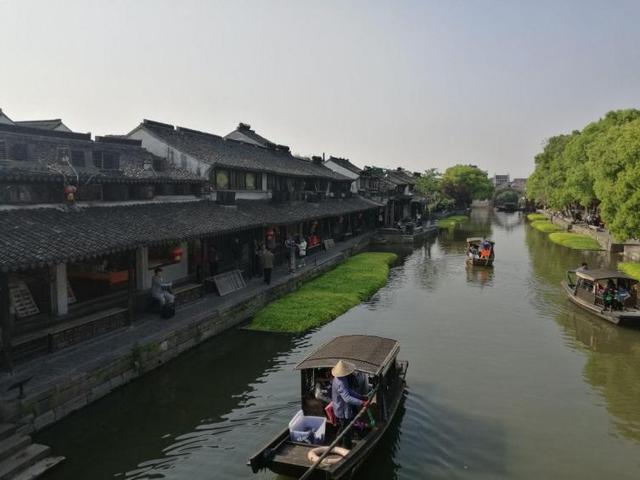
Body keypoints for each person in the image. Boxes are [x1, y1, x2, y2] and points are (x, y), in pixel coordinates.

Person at [331, 360, 369, 448]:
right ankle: (346, 447)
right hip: (342, 409)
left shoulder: (343, 379)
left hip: (343, 408)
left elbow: (349, 391)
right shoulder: (340, 381)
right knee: (345, 430)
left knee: (344, 427)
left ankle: (338, 443)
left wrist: (360, 397)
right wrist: (362, 403)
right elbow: (347, 398)